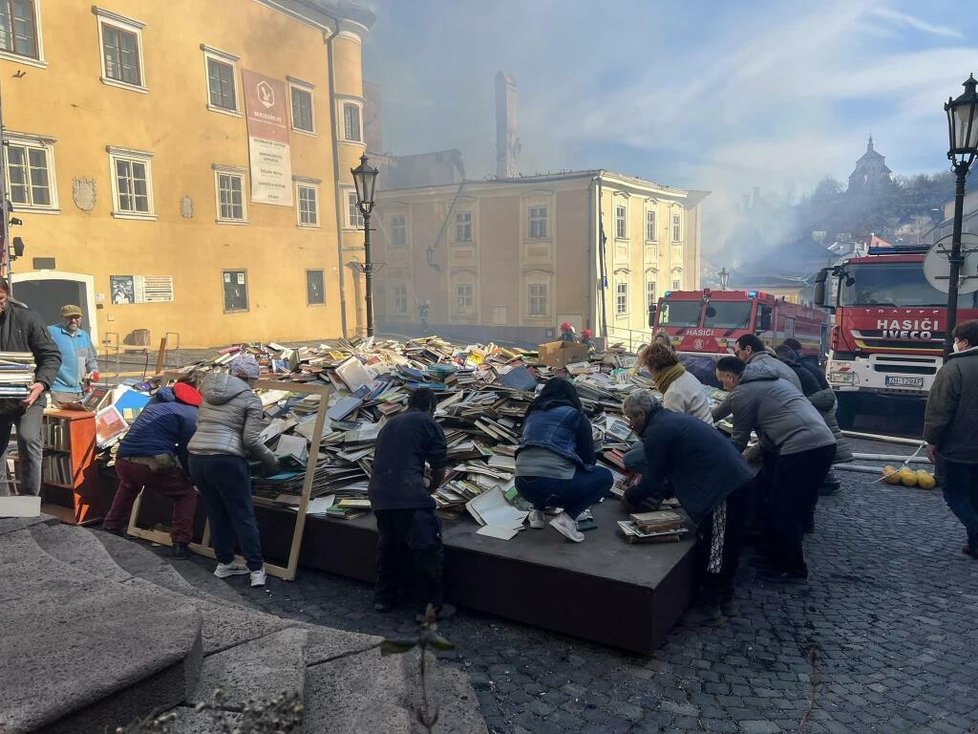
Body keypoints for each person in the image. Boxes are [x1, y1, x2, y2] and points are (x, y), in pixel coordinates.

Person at [622, 390, 754, 625]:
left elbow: (654, 476)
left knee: (717, 548)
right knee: (725, 544)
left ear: (641, 414)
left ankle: (710, 608)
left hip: (723, 487)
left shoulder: (657, 432)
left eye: (630, 418)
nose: (630, 424)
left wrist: (631, 495)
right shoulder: (669, 420)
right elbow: (673, 470)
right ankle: (727, 600)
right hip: (732, 480)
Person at [715, 356, 835, 582]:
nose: (723, 386)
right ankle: (776, 556)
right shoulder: (773, 382)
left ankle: (791, 569)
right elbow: (720, 411)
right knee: (789, 504)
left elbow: (738, 441)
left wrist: (717, 466)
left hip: (801, 449)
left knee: (784, 507)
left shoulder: (743, 392)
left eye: (722, 381)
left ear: (731, 377)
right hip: (823, 443)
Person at [188, 355, 278, 588]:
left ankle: (225, 563)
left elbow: (201, 424)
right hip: (227, 460)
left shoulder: (208, 391)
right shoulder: (250, 399)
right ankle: (256, 569)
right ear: (249, 377)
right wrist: (272, 461)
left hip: (197, 457)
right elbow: (251, 439)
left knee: (216, 512)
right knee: (242, 515)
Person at [368, 387, 452, 621]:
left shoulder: (390, 424)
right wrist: (430, 489)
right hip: (409, 493)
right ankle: (429, 609)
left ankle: (384, 598)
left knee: (390, 545)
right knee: (427, 547)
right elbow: (438, 466)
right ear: (431, 407)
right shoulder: (428, 422)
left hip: (380, 493)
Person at [102, 378, 202, 558]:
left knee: (128, 486)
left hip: (123, 457)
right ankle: (180, 542)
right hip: (152, 461)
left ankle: (111, 525)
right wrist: (192, 477)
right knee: (186, 494)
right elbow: (189, 450)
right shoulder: (190, 414)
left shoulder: (157, 400)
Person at [515, 378, 613, 542]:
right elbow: (589, 459)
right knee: (604, 477)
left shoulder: (533, 414)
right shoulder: (575, 415)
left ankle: (537, 514)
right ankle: (567, 518)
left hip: (522, 486)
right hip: (551, 486)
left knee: (542, 465)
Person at [0, 278, 61, 497]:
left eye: (0, 298)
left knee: (27, 438)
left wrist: (40, 384)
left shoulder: (28, 319)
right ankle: (5, 509)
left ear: (7, 296)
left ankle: (29, 501)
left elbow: (51, 356)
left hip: (29, 397)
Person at [923, 319, 978, 559]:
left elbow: (940, 409)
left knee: (955, 494)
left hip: (960, 448)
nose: (954, 344)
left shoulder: (954, 369)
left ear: (964, 342)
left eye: (956, 340)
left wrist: (932, 440)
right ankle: (975, 545)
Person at [774, 344, 852, 497]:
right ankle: (826, 480)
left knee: (820, 441)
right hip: (821, 400)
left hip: (819, 402)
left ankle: (831, 482)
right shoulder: (802, 365)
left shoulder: (793, 370)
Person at [712, 333, 802, 422]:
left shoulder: (755, 369)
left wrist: (706, 418)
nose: (737, 358)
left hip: (782, 422)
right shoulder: (779, 364)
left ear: (748, 349)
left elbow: (736, 397)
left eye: (737, 354)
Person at [639, 342, 713, 423]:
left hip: (696, 434)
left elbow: (671, 427)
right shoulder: (685, 375)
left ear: (653, 367)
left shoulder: (674, 392)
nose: (650, 374)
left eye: (648, 368)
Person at [47, 304, 99, 404]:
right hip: (58, 392)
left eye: (76, 317)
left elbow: (91, 360)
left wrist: (93, 371)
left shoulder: (83, 336)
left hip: (81, 392)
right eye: (69, 317)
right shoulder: (51, 332)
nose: (73, 321)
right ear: (62, 318)